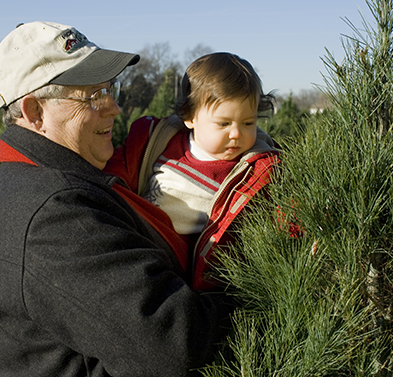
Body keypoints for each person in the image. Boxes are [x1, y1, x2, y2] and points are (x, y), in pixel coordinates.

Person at [0, 21, 230, 377]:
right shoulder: (56, 214)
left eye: (110, 90)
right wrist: (255, 291)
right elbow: (172, 346)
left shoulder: (42, 179)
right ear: (34, 111)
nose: (114, 107)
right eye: (93, 95)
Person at [106, 52, 286, 291]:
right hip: (145, 248)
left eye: (248, 123)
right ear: (190, 117)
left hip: (199, 276)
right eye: (224, 123)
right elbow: (116, 173)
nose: (236, 133)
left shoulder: (255, 171)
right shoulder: (157, 141)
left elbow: (283, 214)